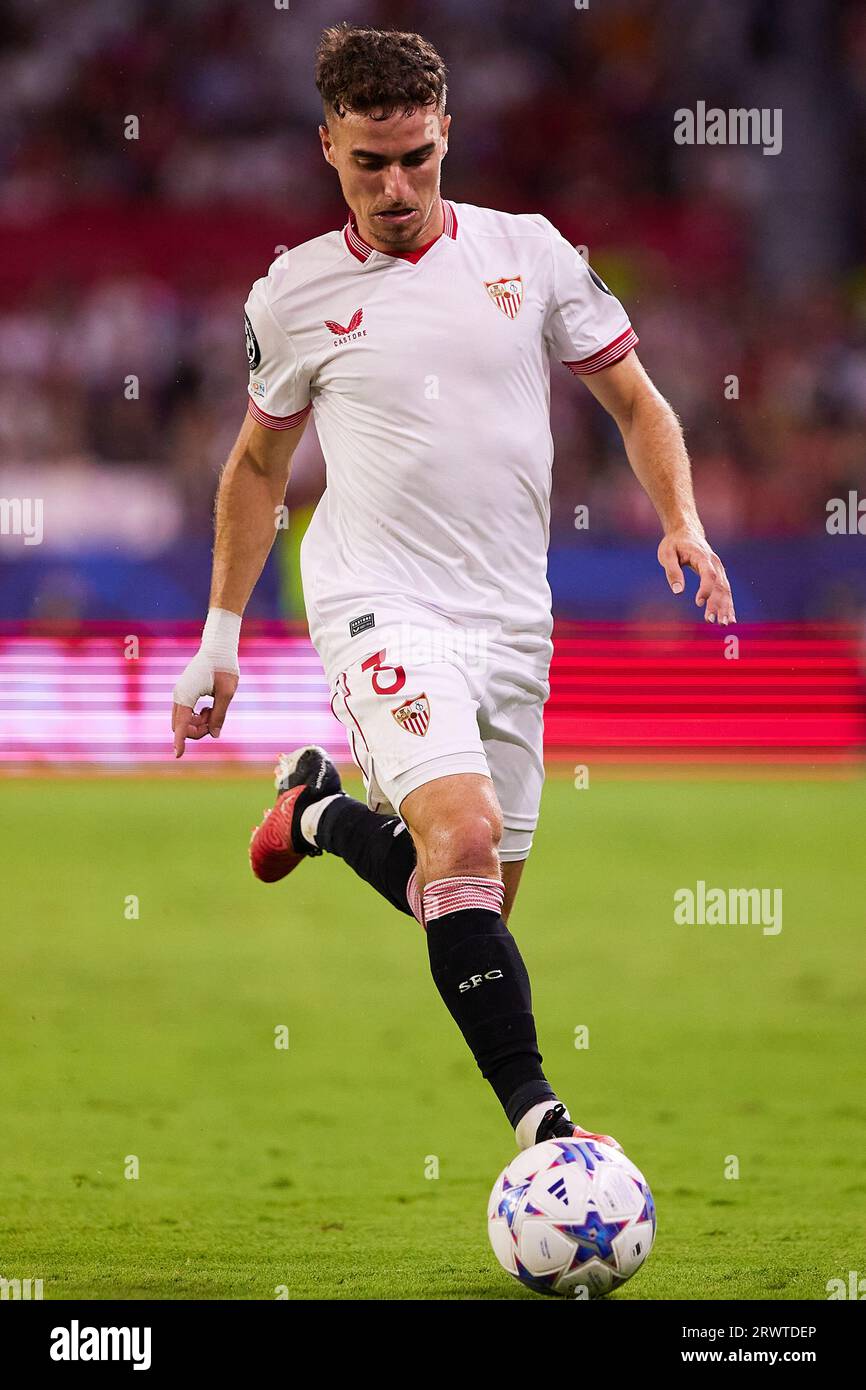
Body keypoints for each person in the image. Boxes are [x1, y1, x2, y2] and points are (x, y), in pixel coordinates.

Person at [171, 24, 735, 1154]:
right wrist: (218, 635)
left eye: (416, 159)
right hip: (375, 596)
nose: (395, 186)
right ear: (326, 144)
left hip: (512, 619)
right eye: (368, 161)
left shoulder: (527, 255)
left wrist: (679, 518)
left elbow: (635, 401)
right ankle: (545, 1130)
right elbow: (256, 466)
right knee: (462, 840)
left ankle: (319, 811)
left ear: (446, 137)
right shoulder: (293, 294)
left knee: (470, 900)